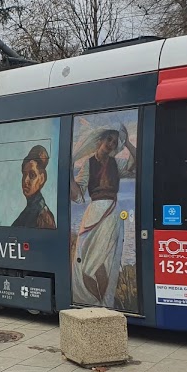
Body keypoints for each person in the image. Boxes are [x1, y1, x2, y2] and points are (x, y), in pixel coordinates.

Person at [71, 127, 137, 307]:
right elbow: (78, 195)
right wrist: (69, 175)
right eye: (109, 139)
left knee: (105, 262)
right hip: (93, 213)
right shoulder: (88, 164)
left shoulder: (117, 164)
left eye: (115, 142)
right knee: (85, 265)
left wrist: (129, 142)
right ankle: (97, 301)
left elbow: (137, 163)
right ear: (100, 140)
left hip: (110, 215)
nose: (111, 144)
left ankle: (103, 303)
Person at [12, 145, 56, 229]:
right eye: (24, 174)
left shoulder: (43, 216)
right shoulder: (28, 212)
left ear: (42, 179)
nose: (25, 180)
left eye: (32, 175)